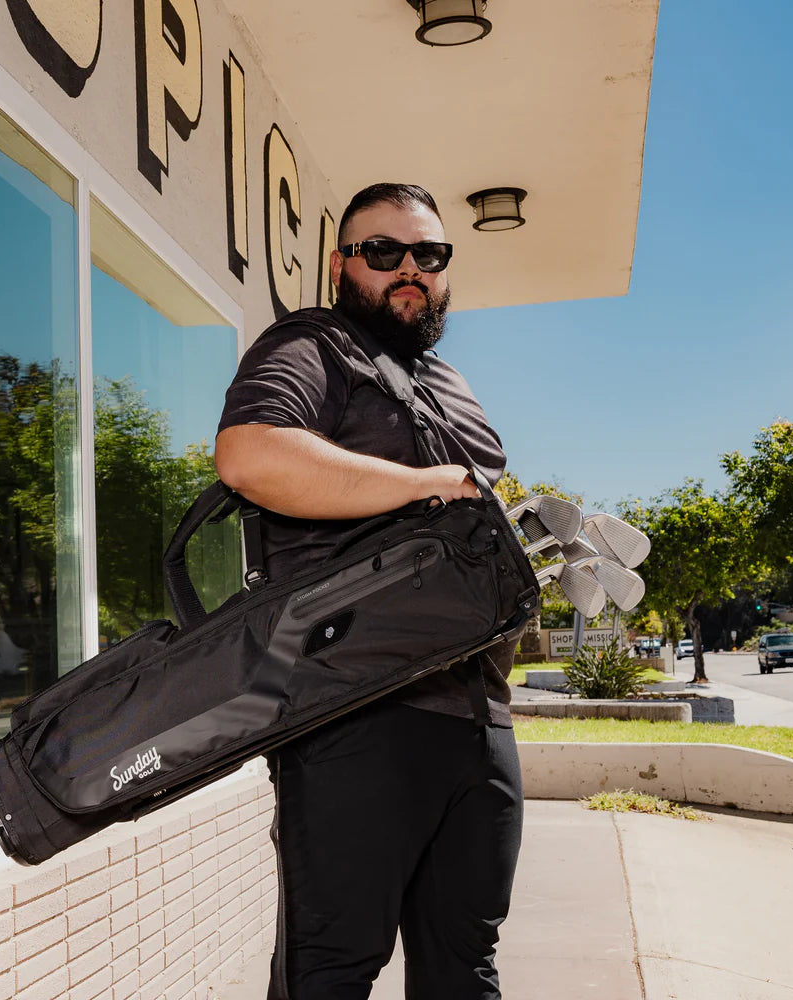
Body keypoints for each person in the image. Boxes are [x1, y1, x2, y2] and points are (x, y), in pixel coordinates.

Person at [215, 183, 524, 999]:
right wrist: (426, 483)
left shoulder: (451, 384)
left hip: (479, 720)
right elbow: (250, 455)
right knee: (332, 973)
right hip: (356, 715)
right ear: (340, 264)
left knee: (466, 967)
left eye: (429, 253)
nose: (408, 268)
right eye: (382, 251)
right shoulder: (312, 345)